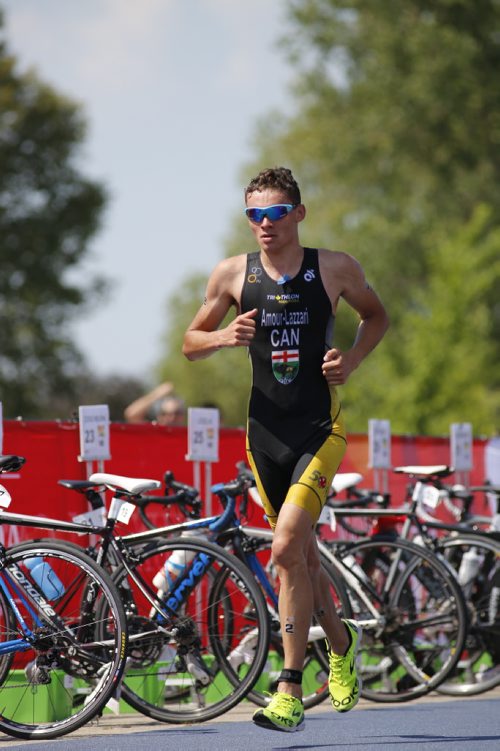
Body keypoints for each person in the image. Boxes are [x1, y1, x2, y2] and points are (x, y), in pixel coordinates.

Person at [182, 166, 389, 733]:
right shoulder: (232, 274)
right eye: (255, 215)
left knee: (286, 548)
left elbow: (377, 317)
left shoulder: (335, 267)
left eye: (275, 213)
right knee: (299, 558)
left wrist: (350, 360)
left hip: (320, 429)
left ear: (298, 213)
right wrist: (223, 336)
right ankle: (342, 645)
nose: (265, 224)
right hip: (263, 437)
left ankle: (290, 688)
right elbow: (190, 343)